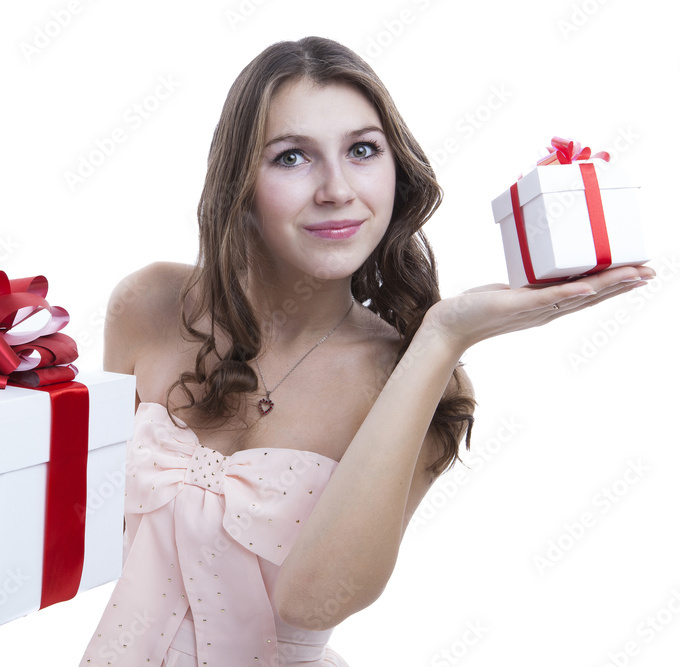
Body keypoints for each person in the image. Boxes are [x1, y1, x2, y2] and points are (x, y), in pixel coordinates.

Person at [77, 36, 655, 667]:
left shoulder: (420, 376)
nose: (336, 189)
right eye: (292, 156)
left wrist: (442, 337)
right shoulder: (150, 305)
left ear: (395, 169)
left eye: (361, 150)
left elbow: (312, 603)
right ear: (239, 182)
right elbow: (87, 528)